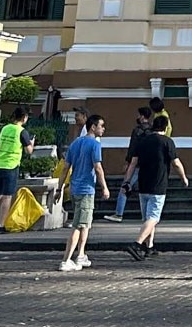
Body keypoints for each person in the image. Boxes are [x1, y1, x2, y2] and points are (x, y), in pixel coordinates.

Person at [123, 114, 188, 261]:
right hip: (158, 185)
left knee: (146, 217)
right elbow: (176, 163)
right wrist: (183, 178)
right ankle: (137, 244)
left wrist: (127, 181)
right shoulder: (167, 142)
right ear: (165, 127)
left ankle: (149, 247)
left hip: (143, 183)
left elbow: (133, 163)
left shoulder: (143, 141)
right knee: (153, 217)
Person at [59, 115, 109, 271]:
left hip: (75, 188)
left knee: (85, 224)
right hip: (86, 189)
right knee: (78, 225)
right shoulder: (94, 144)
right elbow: (98, 167)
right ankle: (66, 259)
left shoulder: (75, 143)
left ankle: (81, 254)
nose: (103, 129)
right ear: (93, 127)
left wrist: (60, 188)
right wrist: (105, 187)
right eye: (101, 125)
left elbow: (65, 168)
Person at [0, 107, 34, 234]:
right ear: (24, 118)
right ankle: (0, 225)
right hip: (11, 166)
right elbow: (28, 151)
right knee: (7, 196)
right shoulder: (22, 132)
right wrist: (32, 143)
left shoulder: (4, 129)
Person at [103, 106, 152, 222]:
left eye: (139, 115)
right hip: (149, 164)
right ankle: (148, 216)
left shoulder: (137, 130)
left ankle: (119, 213)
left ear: (142, 116)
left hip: (136, 164)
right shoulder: (152, 130)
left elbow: (133, 148)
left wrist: (128, 162)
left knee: (125, 187)